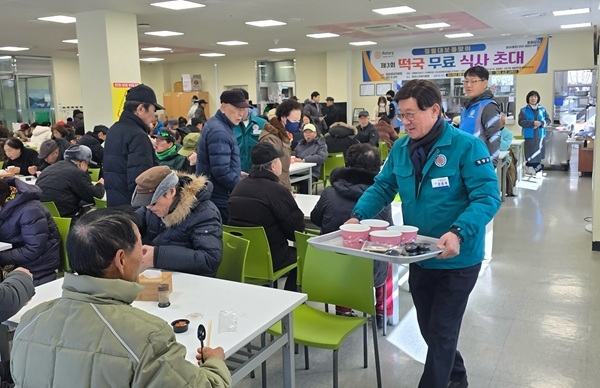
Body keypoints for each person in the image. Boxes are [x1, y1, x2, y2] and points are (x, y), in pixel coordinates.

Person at [347, 79, 501, 388]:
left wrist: (458, 232)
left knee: (442, 331)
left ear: (434, 110)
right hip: (419, 254)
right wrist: (357, 216)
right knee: (429, 329)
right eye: (400, 115)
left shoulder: (467, 146)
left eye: (409, 114)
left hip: (458, 258)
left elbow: (487, 197)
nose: (403, 122)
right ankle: (457, 379)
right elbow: (383, 186)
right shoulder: (402, 147)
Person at [10, 208, 231, 388]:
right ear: (121, 260)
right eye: (139, 247)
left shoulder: (30, 321)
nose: (142, 254)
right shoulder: (147, 337)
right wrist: (215, 364)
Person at [310, 143, 391, 326]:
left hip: (332, 268)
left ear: (347, 163)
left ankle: (343, 309)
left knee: (342, 252)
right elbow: (387, 234)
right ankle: (380, 311)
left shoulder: (330, 192)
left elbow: (316, 219)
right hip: (370, 271)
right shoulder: (382, 199)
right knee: (385, 258)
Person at [228, 143, 305, 291]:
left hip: (241, 256)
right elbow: (296, 232)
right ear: (272, 165)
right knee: (303, 253)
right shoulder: (277, 191)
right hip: (270, 259)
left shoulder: (239, 187)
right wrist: (288, 203)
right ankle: (290, 300)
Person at [132, 166, 222, 277]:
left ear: (171, 192)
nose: (148, 207)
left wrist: (157, 256)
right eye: (145, 203)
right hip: (158, 274)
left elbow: (210, 259)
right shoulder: (151, 208)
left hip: (192, 281)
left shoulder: (205, 213)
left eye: (153, 202)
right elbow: (135, 220)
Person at [196, 89, 250, 223]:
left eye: (243, 109)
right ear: (223, 107)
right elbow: (221, 171)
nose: (241, 113)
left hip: (215, 194)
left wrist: (237, 172)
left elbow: (219, 163)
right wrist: (243, 186)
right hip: (219, 198)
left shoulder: (219, 125)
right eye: (237, 108)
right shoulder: (219, 131)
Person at [103, 84, 161, 207]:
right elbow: (142, 182)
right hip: (132, 208)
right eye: (153, 110)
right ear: (140, 109)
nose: (154, 116)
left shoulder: (114, 129)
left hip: (114, 202)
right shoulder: (138, 136)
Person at [0, 177, 60, 285]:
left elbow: (34, 248)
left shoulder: (30, 210)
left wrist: (2, 256)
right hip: (17, 259)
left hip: (38, 265)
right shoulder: (5, 209)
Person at [36, 145, 105, 218]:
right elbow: (95, 196)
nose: (87, 168)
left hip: (42, 214)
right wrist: (100, 184)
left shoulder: (50, 167)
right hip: (65, 218)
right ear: (82, 163)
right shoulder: (77, 172)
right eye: (88, 165)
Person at [459, 65, 502, 166]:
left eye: (473, 81)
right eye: (466, 81)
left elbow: (494, 136)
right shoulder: (468, 106)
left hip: (479, 163)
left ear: (485, 83)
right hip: (465, 161)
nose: (468, 85)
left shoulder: (488, 106)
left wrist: (491, 166)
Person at [259, 99, 302, 191]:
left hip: (282, 186)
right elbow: (270, 170)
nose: (297, 124)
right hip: (274, 189)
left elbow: (284, 173)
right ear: (283, 118)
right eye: (294, 120)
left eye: (298, 121)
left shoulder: (284, 136)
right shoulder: (271, 138)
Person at [233, 90, 268, 173]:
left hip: (259, 175)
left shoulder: (262, 124)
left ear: (247, 101)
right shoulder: (229, 126)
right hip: (236, 175)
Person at [518, 90, 551, 176]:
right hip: (529, 135)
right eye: (531, 96)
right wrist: (533, 123)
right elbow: (521, 122)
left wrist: (541, 123)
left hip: (540, 135)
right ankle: (534, 168)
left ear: (538, 98)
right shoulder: (523, 110)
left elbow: (548, 120)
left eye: (535, 97)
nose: (533, 98)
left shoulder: (542, 109)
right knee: (530, 153)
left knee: (539, 152)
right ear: (528, 98)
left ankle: (532, 168)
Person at [292, 123, 328, 193]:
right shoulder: (300, 144)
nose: (307, 134)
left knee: (305, 182)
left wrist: (304, 160)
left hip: (312, 172)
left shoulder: (321, 144)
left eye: (310, 132)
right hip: (297, 171)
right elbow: (294, 154)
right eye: (305, 132)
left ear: (315, 133)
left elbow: (321, 157)